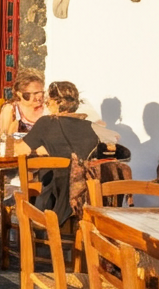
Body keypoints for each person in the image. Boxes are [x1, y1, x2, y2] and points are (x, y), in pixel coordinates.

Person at [16, 81, 101, 223]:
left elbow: (20, 150)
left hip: (53, 198)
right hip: (83, 197)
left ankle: (32, 227)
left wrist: (40, 150)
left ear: (57, 102)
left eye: (48, 100)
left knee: (25, 186)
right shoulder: (91, 127)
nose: (47, 104)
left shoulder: (46, 122)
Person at [0, 70, 46, 135]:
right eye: (33, 94)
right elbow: (4, 136)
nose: (38, 97)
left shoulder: (48, 108)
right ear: (19, 94)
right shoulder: (11, 110)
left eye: (40, 93)